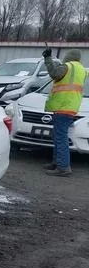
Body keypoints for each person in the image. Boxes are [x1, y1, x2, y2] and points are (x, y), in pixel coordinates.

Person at [41, 47, 87, 177]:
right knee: (58, 136)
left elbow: (55, 73)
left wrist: (48, 58)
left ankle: (63, 167)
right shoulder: (80, 69)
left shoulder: (68, 66)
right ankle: (57, 162)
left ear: (69, 56)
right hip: (70, 107)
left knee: (60, 138)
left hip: (63, 106)